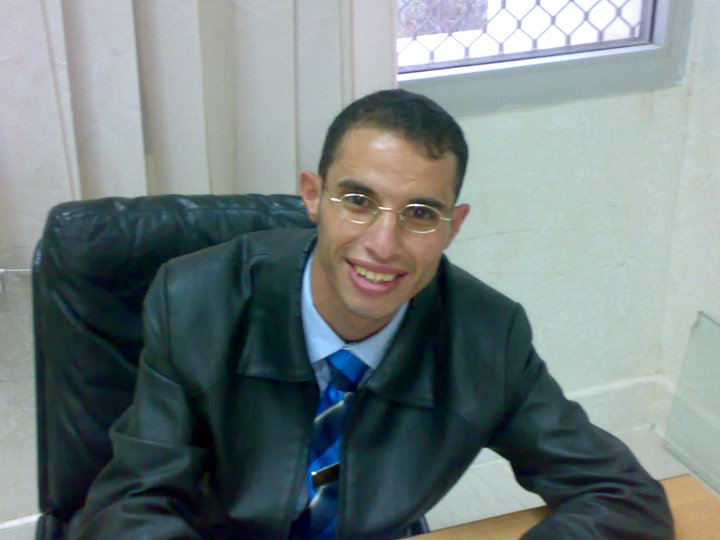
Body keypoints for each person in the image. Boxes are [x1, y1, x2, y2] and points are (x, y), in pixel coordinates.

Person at [69, 89, 673, 539]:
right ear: (313, 195)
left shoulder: (488, 336)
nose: (384, 244)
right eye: (358, 201)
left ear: (453, 226)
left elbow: (622, 496)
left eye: (420, 214)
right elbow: (129, 508)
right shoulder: (195, 301)